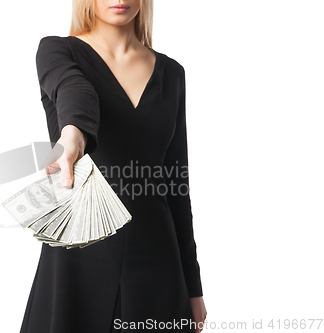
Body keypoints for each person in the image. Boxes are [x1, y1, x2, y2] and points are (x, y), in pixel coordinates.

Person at [20, 0, 207, 332]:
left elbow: (177, 185)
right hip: (79, 257)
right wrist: (74, 135)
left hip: (156, 257)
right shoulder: (57, 51)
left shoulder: (172, 73)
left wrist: (193, 289)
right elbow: (74, 90)